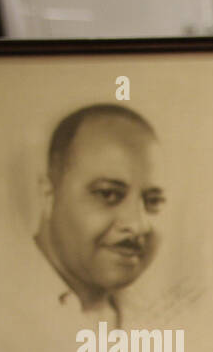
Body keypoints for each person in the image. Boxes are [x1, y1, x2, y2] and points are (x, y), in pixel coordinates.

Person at [32, 103, 165, 328]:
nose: (138, 224)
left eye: (152, 201)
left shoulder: (157, 313)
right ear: (49, 192)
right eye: (108, 194)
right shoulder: (0, 305)